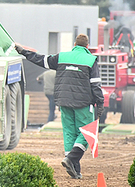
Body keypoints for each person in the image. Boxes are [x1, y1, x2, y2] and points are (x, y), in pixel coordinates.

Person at [15, 34, 104, 179]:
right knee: (87, 132)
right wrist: (100, 103)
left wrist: (24, 51)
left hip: (63, 101)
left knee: (69, 132)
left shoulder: (62, 57)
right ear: (87, 47)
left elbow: (41, 59)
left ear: (74, 44)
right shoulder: (91, 60)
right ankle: (71, 159)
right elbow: (95, 84)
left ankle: (75, 170)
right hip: (83, 102)